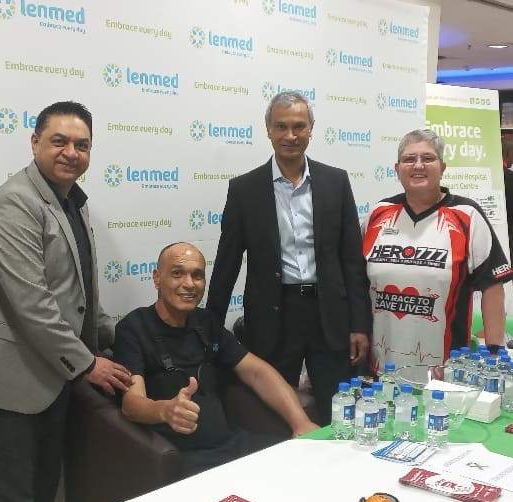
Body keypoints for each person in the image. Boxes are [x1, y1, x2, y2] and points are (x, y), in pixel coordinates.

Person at [0, 101, 132, 502]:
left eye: (82, 144)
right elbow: (31, 305)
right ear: (35, 142)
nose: (71, 152)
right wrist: (88, 363)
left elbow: (76, 293)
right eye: (59, 141)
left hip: (51, 379)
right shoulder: (14, 205)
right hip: (7, 391)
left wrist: (127, 332)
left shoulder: (72, 201)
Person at [207, 91, 371, 425]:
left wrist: (359, 324)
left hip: (330, 316)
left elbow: (352, 261)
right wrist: (209, 327)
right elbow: (227, 263)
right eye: (281, 126)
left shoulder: (335, 182)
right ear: (268, 129)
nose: (290, 136)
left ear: (312, 129)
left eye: (299, 126)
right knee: (273, 415)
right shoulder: (244, 189)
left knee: (337, 411)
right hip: (272, 317)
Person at [113, 242, 319, 477]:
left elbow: (257, 372)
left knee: (303, 465)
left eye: (197, 276)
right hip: (182, 459)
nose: (189, 284)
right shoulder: (133, 329)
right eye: (177, 273)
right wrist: (165, 410)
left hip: (230, 445)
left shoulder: (206, 322)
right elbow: (131, 404)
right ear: (157, 278)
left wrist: (300, 421)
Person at [362, 129, 512, 367]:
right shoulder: (378, 214)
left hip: (445, 369)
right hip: (379, 365)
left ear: (442, 167)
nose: (418, 165)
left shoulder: (467, 215)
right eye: (409, 159)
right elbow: (356, 281)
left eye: (428, 158)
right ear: (397, 168)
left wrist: (495, 352)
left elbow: (492, 285)